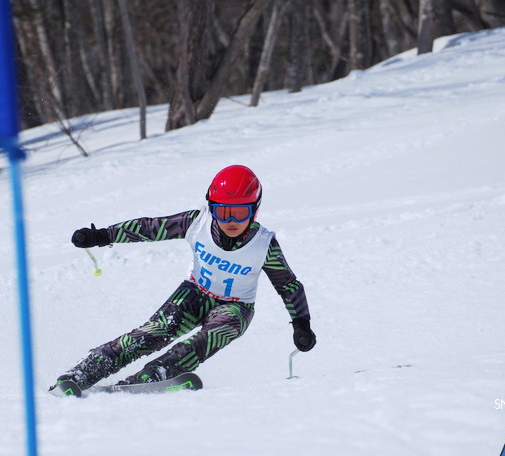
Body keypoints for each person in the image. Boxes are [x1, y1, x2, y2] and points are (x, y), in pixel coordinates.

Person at [50, 165, 315, 392]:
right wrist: (104, 235)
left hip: (235, 307)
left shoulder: (263, 244)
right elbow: (150, 228)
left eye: (240, 212)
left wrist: (301, 323)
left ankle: (154, 376)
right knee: (152, 333)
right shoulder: (196, 223)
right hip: (194, 294)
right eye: (222, 212)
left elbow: (288, 285)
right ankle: (84, 372)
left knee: (208, 337)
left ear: (254, 210)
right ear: (211, 207)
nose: (231, 220)